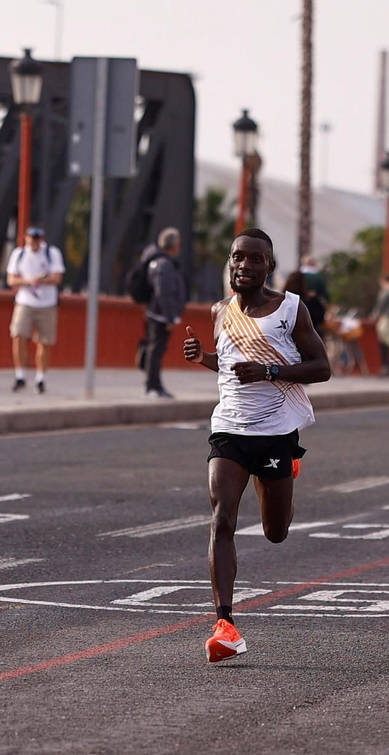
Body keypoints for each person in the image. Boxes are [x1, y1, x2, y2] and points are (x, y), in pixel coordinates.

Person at [182, 228, 331, 663]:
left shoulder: (290, 309)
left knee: (275, 532)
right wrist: (203, 359)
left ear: (269, 267)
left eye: (254, 259)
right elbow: (232, 365)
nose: (244, 265)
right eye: (237, 257)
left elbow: (321, 367)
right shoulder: (220, 311)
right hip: (229, 428)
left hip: (275, 431)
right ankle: (225, 625)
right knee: (221, 519)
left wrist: (270, 372)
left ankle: (288, 471)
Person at [6, 225, 64, 393]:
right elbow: (11, 279)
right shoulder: (19, 254)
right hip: (25, 301)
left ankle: (41, 378)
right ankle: (20, 375)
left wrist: (42, 280)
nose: (34, 242)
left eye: (37, 239)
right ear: (26, 238)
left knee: (44, 341)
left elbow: (57, 277)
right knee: (18, 335)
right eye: (31, 238)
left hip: (46, 303)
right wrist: (28, 281)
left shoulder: (52, 253)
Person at [138, 228, 187, 398]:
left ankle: (155, 384)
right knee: (155, 350)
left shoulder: (161, 262)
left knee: (157, 350)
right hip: (159, 315)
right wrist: (170, 317)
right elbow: (163, 293)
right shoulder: (163, 264)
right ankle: (152, 386)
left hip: (158, 313)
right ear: (174, 245)